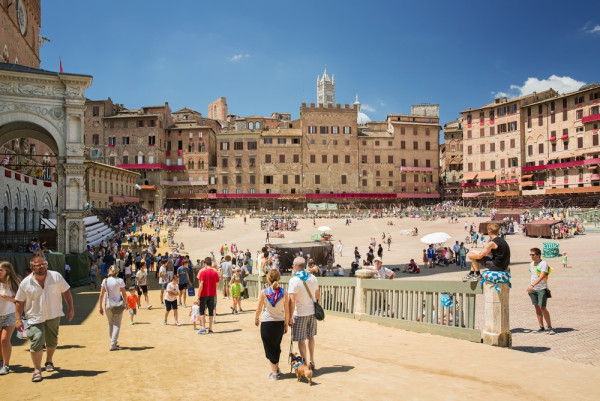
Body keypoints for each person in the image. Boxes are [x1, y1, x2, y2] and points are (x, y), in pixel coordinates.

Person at [15, 256, 74, 382]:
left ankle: (49, 360)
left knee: (52, 341)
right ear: (32, 268)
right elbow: (19, 302)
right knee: (37, 338)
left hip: (53, 314)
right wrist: (18, 319)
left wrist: (70, 308)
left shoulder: (56, 276)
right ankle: (37, 370)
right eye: (39, 265)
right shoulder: (26, 282)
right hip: (34, 317)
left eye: (44, 264)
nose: (43, 266)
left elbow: (66, 291)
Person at [256, 269, 289, 380]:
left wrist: (256, 318)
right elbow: (287, 310)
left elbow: (259, 308)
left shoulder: (264, 292)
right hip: (279, 322)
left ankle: (274, 373)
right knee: (276, 346)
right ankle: (277, 368)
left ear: (268, 279)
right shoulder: (284, 293)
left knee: (269, 348)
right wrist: (286, 323)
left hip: (267, 323)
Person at [288, 256, 319, 370]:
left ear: (296, 266)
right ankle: (312, 360)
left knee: (301, 340)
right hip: (311, 312)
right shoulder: (313, 278)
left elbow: (292, 300)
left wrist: (290, 317)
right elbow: (317, 295)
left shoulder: (294, 280)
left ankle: (305, 362)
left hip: (300, 313)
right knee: (311, 337)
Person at [98, 265, 127, 350]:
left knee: (110, 323)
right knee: (117, 324)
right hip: (118, 304)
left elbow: (101, 294)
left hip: (108, 304)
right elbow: (124, 294)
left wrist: (100, 306)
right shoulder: (120, 281)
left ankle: (112, 341)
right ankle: (113, 343)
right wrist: (127, 304)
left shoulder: (105, 281)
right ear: (117, 272)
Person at [527, 248, 555, 335]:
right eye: (530, 255)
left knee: (542, 307)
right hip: (533, 290)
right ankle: (541, 326)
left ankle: (549, 327)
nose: (531, 257)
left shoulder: (543, 264)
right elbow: (533, 275)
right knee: (536, 307)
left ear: (538, 255)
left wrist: (532, 285)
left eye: (533, 255)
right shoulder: (531, 264)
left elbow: (541, 276)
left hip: (541, 289)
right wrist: (531, 286)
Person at [0, 261, 21, 375]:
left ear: (7, 271)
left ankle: (6, 365)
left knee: (4, 339)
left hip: (10, 314)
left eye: (0, 270)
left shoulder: (13, 283)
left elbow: (20, 300)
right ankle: (1, 361)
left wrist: (9, 298)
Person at [197, 257, 220, 334]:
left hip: (204, 294)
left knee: (202, 311)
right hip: (212, 294)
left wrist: (198, 295)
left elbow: (201, 285)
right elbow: (217, 284)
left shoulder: (203, 272)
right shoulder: (215, 273)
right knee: (211, 311)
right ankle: (210, 328)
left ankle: (203, 328)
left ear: (205, 264)